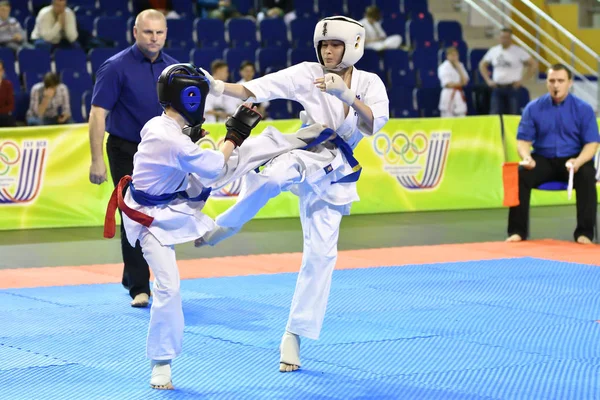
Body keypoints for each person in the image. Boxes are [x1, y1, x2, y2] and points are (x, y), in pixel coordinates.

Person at [103, 63, 327, 389]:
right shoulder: (170, 138)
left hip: (176, 199)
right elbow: (210, 167)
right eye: (199, 98)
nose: (203, 105)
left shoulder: (160, 125)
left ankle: (297, 139)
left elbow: (200, 160)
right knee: (169, 287)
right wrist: (234, 134)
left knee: (234, 160)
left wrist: (212, 139)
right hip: (150, 219)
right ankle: (161, 364)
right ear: (189, 98)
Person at [196, 16, 390, 372]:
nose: (328, 52)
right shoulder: (305, 73)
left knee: (320, 256)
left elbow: (375, 123)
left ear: (354, 47)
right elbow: (257, 88)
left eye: (335, 46)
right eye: (324, 46)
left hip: (336, 174)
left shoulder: (369, 83)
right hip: (305, 152)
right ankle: (225, 226)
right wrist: (218, 86)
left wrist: (345, 95)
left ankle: (293, 334)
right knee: (271, 179)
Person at [88, 9, 178, 308]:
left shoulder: (175, 68)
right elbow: (97, 113)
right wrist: (96, 159)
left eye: (159, 33)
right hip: (126, 149)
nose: (154, 38)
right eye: (148, 32)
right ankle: (140, 286)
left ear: (166, 33)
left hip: (163, 152)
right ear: (135, 32)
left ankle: (150, 278)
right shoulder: (115, 67)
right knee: (132, 215)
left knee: (162, 214)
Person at [506, 64, 599, 244]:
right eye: (552, 81)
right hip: (543, 159)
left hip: (573, 160)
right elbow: (523, 141)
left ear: (570, 83)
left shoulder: (583, 109)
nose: (556, 85)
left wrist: (579, 161)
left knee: (587, 174)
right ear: (547, 83)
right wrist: (526, 157)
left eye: (560, 81)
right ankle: (517, 232)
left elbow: (592, 143)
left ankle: (584, 234)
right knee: (521, 174)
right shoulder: (533, 108)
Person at [479, 28, 537, 115]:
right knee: (495, 114)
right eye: (502, 37)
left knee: (512, 114)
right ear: (499, 38)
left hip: (512, 88)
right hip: (497, 87)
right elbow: (482, 65)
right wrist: (488, 80)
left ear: (510, 39)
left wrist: (523, 80)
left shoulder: (518, 51)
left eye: (506, 37)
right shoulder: (494, 51)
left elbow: (533, 64)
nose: (504, 40)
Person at [438, 46, 469, 117]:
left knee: (461, 115)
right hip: (448, 94)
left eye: (456, 55)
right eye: (452, 55)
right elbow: (447, 84)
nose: (454, 57)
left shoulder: (460, 65)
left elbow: (465, 81)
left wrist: (459, 67)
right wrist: (460, 84)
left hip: (458, 93)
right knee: (448, 119)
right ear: (447, 56)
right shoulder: (443, 67)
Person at [0, 59, 15, 127]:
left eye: (0, 69)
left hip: (3, 116)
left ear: (3, 71)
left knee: (7, 119)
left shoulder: (8, 85)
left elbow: (10, 106)